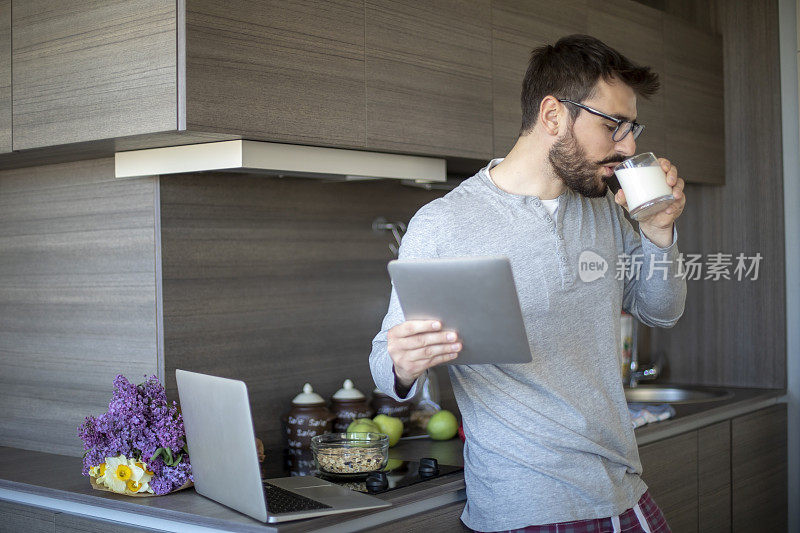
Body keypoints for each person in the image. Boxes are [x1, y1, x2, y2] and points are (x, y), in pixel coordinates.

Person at [369, 34, 687, 532]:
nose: (629, 146)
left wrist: (659, 234)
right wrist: (403, 363)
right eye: (614, 126)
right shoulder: (445, 222)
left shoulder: (604, 209)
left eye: (633, 128)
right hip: (529, 505)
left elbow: (662, 310)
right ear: (553, 115)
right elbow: (384, 361)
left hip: (623, 487)